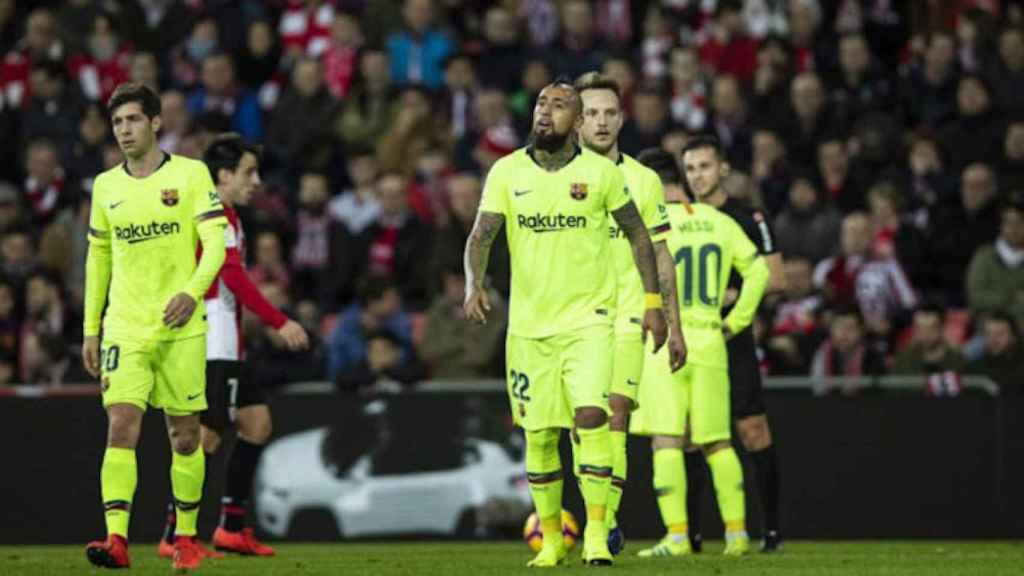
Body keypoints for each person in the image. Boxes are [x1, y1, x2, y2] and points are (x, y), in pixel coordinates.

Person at [463, 79, 668, 567]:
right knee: (538, 435)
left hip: (590, 322)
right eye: (540, 103)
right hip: (529, 328)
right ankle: (553, 540)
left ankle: (596, 533)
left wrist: (654, 301)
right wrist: (475, 284)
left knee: (592, 418)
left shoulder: (601, 174)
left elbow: (640, 237)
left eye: (558, 106)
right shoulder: (506, 171)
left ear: (576, 122)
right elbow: (481, 236)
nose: (545, 112)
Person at [82, 82, 228, 571]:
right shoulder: (106, 186)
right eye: (118, 122)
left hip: (181, 326)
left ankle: (185, 537)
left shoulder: (190, 175)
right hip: (125, 325)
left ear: (155, 123)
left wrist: (191, 292)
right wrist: (90, 328)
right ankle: (116, 539)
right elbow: (98, 257)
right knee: (120, 424)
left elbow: (216, 244)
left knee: (184, 436)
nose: (124, 130)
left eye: (133, 120)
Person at [156, 134, 309, 559]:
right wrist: (278, 320)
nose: (256, 181)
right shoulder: (213, 215)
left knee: (256, 424)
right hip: (211, 340)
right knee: (205, 436)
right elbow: (232, 276)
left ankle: (231, 528)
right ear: (223, 175)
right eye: (247, 172)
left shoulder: (227, 215)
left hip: (230, 343)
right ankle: (175, 534)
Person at [630, 145, 768, 558]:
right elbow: (759, 271)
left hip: (664, 339)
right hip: (710, 339)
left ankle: (676, 537)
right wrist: (736, 320)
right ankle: (737, 535)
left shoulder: (649, 226)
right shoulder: (717, 221)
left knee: (667, 442)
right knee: (718, 443)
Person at [573, 72, 686, 554]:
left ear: (622, 118)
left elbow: (662, 255)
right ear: (576, 120)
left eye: (609, 113)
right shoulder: (556, 177)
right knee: (583, 423)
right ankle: (595, 514)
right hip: (571, 318)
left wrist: (673, 323)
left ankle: (604, 523)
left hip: (626, 315)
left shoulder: (642, 181)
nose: (601, 122)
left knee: (614, 414)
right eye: (592, 113)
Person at [681, 134, 788, 553]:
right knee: (688, 435)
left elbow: (776, 279)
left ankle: (773, 532)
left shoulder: (748, 217)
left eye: (705, 166)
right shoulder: (678, 218)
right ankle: (686, 535)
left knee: (752, 430)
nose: (698, 176)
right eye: (690, 169)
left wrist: (727, 293)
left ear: (723, 168)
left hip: (733, 337)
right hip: (690, 339)